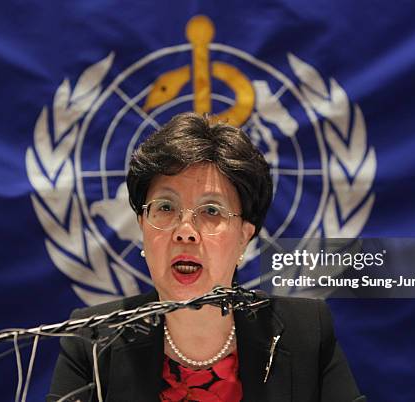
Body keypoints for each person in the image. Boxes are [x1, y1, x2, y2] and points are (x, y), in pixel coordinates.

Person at [47, 113, 365, 402]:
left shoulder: (306, 333)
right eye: (166, 208)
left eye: (211, 211)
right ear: (143, 226)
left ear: (244, 236)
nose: (185, 232)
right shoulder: (91, 340)